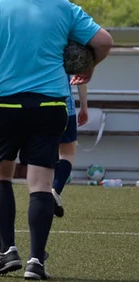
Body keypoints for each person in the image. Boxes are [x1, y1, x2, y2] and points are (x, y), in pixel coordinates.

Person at [0, 0, 114, 280]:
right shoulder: (62, 6)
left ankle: (7, 251)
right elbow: (103, 41)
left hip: (5, 103)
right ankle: (36, 261)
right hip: (50, 104)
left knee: (0, 175)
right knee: (41, 182)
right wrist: (90, 66)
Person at [52, 80, 88, 218]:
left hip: (37, 106)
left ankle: (41, 196)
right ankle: (54, 190)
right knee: (67, 153)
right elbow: (81, 78)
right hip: (64, 106)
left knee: (44, 153)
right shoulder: (67, 56)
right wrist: (84, 106)